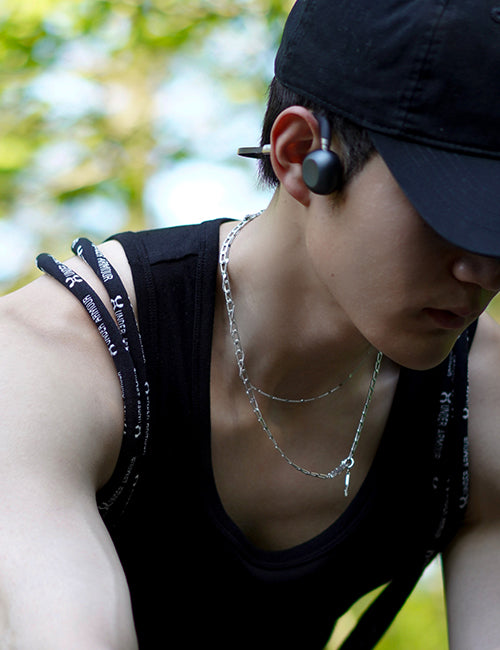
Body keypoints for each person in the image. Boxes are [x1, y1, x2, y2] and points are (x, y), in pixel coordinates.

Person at [1, 0, 500, 647]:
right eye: (452, 210)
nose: (484, 269)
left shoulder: (479, 403)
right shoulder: (47, 364)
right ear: (302, 156)